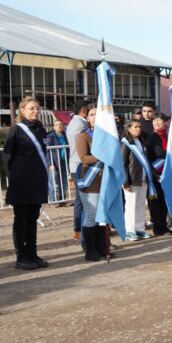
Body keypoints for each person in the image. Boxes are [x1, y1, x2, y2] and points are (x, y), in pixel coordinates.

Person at [3, 97, 51, 270]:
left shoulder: (40, 129)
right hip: (22, 184)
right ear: (22, 110)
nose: (35, 111)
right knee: (21, 220)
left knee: (33, 219)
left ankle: (32, 253)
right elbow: (7, 158)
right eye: (31, 108)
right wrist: (15, 179)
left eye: (37, 108)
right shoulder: (17, 130)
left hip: (37, 183)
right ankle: (22, 256)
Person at [75, 106, 110, 262]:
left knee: (102, 216)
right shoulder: (84, 136)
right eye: (92, 115)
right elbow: (84, 158)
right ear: (88, 118)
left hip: (105, 179)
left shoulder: (107, 136)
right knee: (91, 216)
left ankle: (102, 248)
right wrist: (101, 156)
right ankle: (90, 251)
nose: (95, 117)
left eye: (98, 114)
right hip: (90, 179)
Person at [120, 119, 154, 241]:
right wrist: (125, 182)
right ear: (128, 128)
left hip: (142, 178)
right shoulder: (125, 143)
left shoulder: (141, 142)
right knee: (130, 206)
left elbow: (146, 161)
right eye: (135, 127)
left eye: (139, 127)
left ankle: (140, 229)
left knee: (140, 205)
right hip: (132, 180)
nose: (138, 129)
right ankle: (130, 231)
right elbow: (123, 164)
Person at [66, 100, 92, 243]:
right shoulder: (80, 124)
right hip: (81, 164)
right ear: (83, 110)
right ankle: (80, 230)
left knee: (80, 200)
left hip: (77, 163)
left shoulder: (74, 122)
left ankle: (79, 230)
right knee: (83, 201)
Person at [145, 113, 172, 235]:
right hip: (156, 174)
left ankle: (164, 226)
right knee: (156, 203)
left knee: (164, 202)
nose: (157, 122)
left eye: (159, 120)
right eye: (155, 120)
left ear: (165, 123)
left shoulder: (167, 135)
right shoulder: (153, 136)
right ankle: (158, 228)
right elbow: (160, 153)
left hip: (166, 173)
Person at [44, 119, 70, 205]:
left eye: (61, 125)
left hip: (64, 162)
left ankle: (62, 199)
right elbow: (47, 151)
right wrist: (50, 163)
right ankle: (53, 200)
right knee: (54, 182)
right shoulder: (50, 136)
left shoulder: (66, 135)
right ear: (54, 126)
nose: (59, 126)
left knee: (64, 182)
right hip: (54, 163)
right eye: (57, 125)